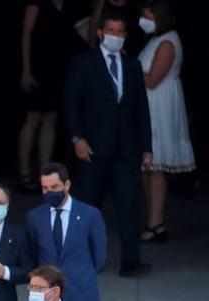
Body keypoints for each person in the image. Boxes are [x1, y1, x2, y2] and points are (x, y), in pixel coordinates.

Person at [64, 8, 153, 277]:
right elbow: (71, 104)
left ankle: (131, 261)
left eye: (119, 32)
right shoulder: (84, 63)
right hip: (92, 148)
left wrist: (147, 147)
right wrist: (77, 138)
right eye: (110, 31)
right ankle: (86, 261)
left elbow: (141, 109)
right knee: (89, 207)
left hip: (126, 149)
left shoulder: (132, 65)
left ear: (125, 35)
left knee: (129, 205)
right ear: (100, 32)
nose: (114, 36)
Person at [17, 0, 91, 190]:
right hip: (38, 66)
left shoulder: (70, 7)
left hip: (59, 69)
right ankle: (24, 172)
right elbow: (26, 34)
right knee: (32, 118)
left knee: (51, 118)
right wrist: (26, 69)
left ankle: (44, 172)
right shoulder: (38, 4)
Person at [138, 0, 195, 243]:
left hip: (160, 106)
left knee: (157, 165)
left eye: (147, 15)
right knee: (148, 167)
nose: (143, 20)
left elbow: (151, 80)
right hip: (151, 105)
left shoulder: (168, 42)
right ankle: (152, 217)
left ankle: (156, 221)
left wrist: (127, 70)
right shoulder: (155, 40)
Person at [26, 162, 107, 301]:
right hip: (47, 294)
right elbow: (32, 252)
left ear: (67, 184)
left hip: (80, 293)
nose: (49, 192)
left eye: (54, 187)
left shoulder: (90, 215)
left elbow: (99, 257)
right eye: (45, 188)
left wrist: (81, 275)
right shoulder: (34, 217)